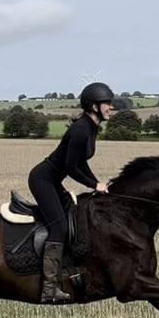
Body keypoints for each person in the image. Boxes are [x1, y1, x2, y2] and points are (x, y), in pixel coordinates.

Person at [28, 81, 114, 303]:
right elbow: (70, 167)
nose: (110, 108)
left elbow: (80, 162)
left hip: (52, 181)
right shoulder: (80, 130)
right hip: (42, 180)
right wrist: (94, 186)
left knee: (72, 216)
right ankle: (49, 289)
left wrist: (97, 183)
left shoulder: (91, 128)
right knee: (59, 226)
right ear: (94, 106)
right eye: (107, 104)